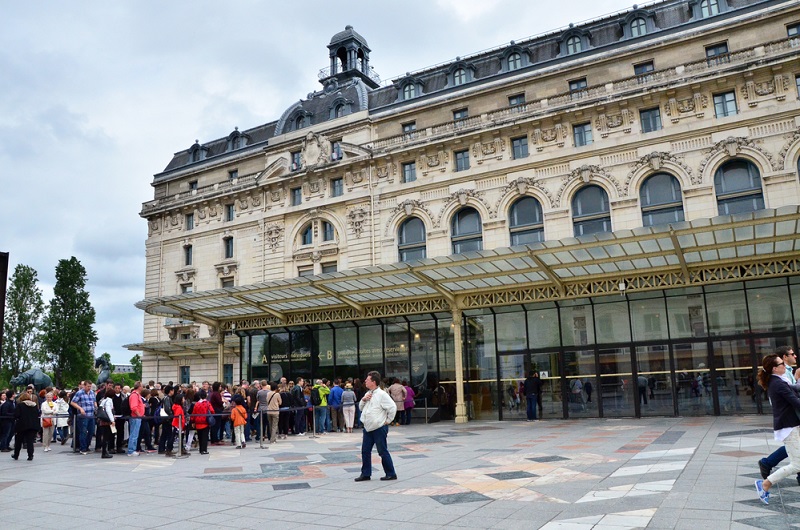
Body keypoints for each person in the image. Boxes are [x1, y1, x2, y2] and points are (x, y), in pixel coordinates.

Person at [755, 353, 800, 504]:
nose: (785, 366)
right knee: (797, 465)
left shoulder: (779, 380)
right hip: (789, 427)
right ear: (775, 368)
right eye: (782, 364)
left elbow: (793, 389)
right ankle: (765, 484)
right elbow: (795, 401)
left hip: (792, 425)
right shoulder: (778, 384)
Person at [354, 371, 397, 482]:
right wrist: (363, 400)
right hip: (368, 427)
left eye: (367, 380)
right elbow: (361, 407)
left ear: (373, 382)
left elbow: (392, 407)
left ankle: (391, 473)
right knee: (365, 451)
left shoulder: (382, 394)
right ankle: (366, 474)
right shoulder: (368, 393)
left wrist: (388, 421)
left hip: (379, 427)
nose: (365, 381)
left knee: (382, 451)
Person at [11, 391, 39, 461]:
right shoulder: (34, 405)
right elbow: (37, 414)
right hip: (33, 425)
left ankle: (16, 455)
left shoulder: (20, 405)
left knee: (18, 441)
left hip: (22, 425)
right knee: (30, 441)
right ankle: (30, 455)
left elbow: (16, 415)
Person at [70, 380, 96, 455]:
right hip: (83, 415)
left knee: (91, 432)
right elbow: (72, 402)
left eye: (90, 386)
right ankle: (83, 448)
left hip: (91, 414)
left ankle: (87, 446)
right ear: (84, 386)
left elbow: (94, 401)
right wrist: (80, 408)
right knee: (83, 432)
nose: (89, 388)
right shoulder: (79, 393)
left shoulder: (92, 393)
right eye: (88, 386)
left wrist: (96, 406)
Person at [96, 387, 116, 459]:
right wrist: (112, 420)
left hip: (102, 420)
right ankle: (104, 452)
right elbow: (108, 411)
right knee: (106, 437)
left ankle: (104, 451)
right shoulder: (109, 401)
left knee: (104, 437)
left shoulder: (103, 400)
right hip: (106, 421)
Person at [127, 382, 145, 456]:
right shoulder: (134, 395)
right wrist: (139, 415)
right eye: (142, 386)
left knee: (135, 434)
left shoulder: (137, 395)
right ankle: (131, 450)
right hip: (135, 417)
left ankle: (132, 449)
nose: (143, 387)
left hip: (137, 417)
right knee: (134, 434)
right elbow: (134, 407)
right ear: (139, 387)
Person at [192, 389, 212, 455]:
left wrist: (193, 421)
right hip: (205, 422)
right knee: (205, 437)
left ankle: (201, 449)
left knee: (200, 437)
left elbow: (193, 413)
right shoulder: (207, 403)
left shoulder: (196, 404)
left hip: (198, 422)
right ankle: (204, 450)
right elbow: (212, 411)